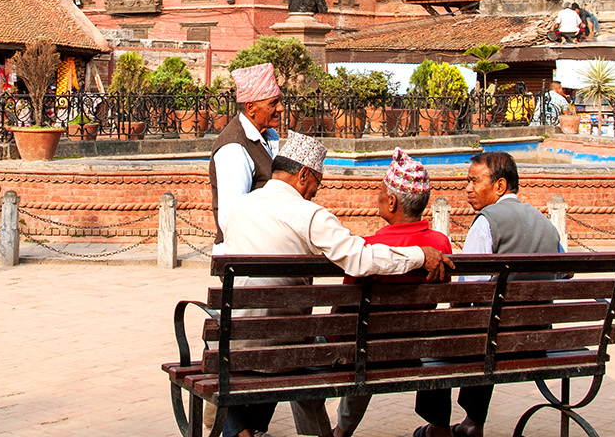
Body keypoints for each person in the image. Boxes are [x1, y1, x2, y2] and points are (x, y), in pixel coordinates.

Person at [220, 132, 453, 437]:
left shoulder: (238, 209)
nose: (317, 191)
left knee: (288, 342)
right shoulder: (308, 214)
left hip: (233, 343)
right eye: (316, 182)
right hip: (285, 346)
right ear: (304, 175)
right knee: (299, 344)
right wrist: (418, 256)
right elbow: (361, 259)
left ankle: (245, 430)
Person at [418, 151, 563, 437]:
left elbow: (467, 289)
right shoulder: (545, 223)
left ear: (499, 186)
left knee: (442, 334)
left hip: (494, 339)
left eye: (474, 181)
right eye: (467, 182)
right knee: (487, 325)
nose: (468, 188)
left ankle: (437, 427)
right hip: (537, 337)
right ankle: (473, 422)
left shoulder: (487, 222)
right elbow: (562, 273)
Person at [334, 149, 453, 437]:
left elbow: (344, 306)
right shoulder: (441, 244)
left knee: (358, 340)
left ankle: (341, 431)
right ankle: (439, 428)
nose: (377, 197)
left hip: (369, 350)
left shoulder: (369, 247)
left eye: (380, 192)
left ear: (392, 201)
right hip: (417, 347)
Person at [209, 62, 282, 248]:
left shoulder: (268, 136)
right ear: (250, 108)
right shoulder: (233, 148)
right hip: (247, 256)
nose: (280, 108)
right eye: (273, 103)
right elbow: (231, 217)